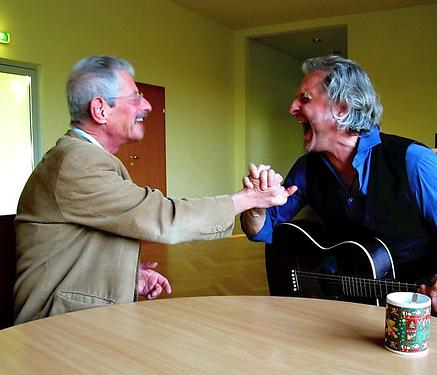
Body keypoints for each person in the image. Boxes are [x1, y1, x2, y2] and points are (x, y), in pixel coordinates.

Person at [14, 55, 294, 324]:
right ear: (100, 110)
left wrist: (128, 277)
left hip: (80, 320)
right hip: (54, 331)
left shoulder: (84, 157)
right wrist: (248, 199)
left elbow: (77, 247)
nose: (147, 105)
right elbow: (164, 218)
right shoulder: (77, 162)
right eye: (135, 97)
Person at [241, 55, 437, 329]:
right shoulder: (307, 169)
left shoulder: (414, 161)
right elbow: (264, 231)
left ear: (344, 108)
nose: (292, 108)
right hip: (358, 313)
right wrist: (255, 205)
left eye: (305, 99)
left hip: (433, 313)